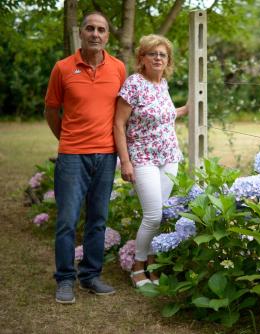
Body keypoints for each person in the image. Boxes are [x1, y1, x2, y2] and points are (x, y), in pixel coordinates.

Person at [44, 11, 126, 304]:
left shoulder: (118, 68)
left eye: (101, 29)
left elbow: (123, 113)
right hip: (72, 157)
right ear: (81, 33)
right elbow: (52, 111)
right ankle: (65, 279)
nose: (95, 34)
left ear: (106, 35)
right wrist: (67, 140)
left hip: (106, 156)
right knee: (67, 220)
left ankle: (90, 275)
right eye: (90, 28)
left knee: (98, 219)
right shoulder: (63, 68)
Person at [114, 34, 188, 287]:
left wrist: (186, 108)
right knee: (153, 215)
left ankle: (152, 265)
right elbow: (119, 123)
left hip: (169, 157)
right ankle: (137, 265)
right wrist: (125, 161)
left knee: (161, 213)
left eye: (162, 54)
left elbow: (162, 114)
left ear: (168, 61)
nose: (158, 58)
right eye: (152, 53)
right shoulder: (134, 83)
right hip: (142, 158)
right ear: (142, 58)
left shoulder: (163, 84)